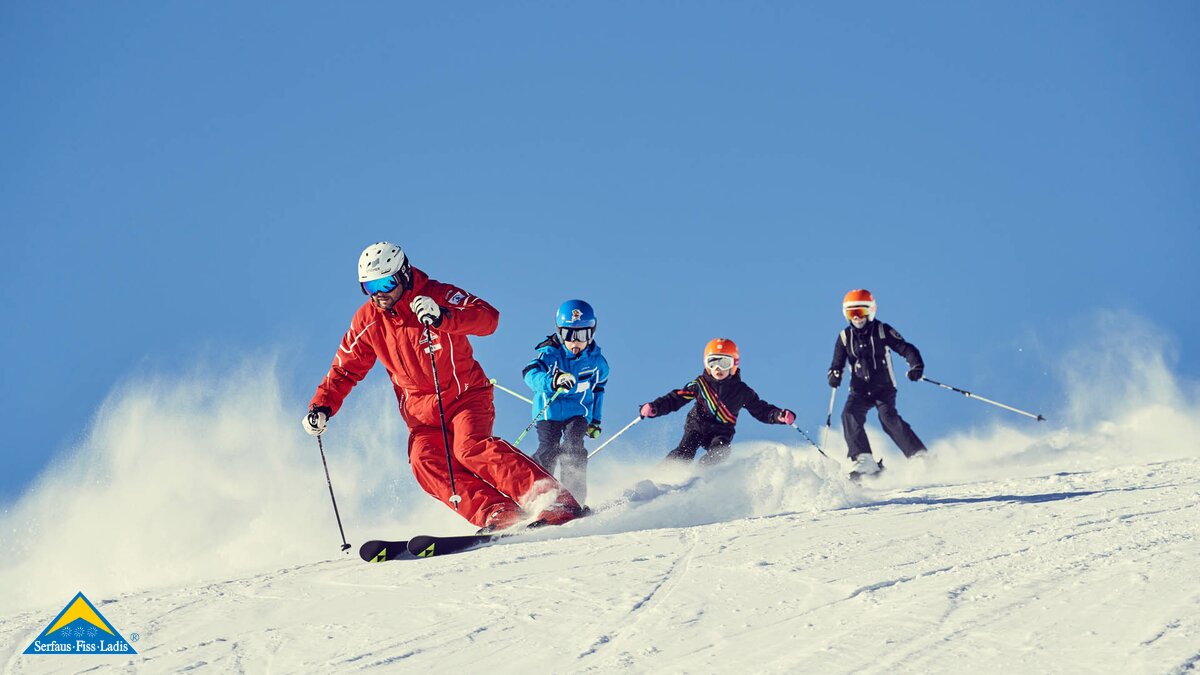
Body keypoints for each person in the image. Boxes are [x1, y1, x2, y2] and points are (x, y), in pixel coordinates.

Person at [302, 241, 583, 532]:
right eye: (371, 287)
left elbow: (489, 319)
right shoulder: (368, 320)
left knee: (470, 449)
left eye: (386, 283)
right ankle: (497, 512)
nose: (381, 294)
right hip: (422, 418)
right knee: (425, 463)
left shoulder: (439, 295)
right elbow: (345, 369)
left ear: (404, 275)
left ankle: (553, 500)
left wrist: (443, 317)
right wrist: (321, 405)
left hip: (466, 398)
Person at [639, 338, 795, 466]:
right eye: (713, 362)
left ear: (734, 365)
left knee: (720, 452)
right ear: (706, 364)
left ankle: (701, 477)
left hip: (722, 431)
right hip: (697, 425)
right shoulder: (700, 384)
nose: (718, 368)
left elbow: (761, 409)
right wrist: (655, 408)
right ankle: (665, 474)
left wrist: (778, 416)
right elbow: (676, 398)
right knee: (686, 450)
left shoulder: (741, 391)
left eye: (724, 363)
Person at [827, 289, 928, 478]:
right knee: (849, 414)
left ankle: (918, 456)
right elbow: (836, 363)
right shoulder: (844, 337)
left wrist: (916, 365)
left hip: (883, 387)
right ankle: (865, 461)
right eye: (851, 313)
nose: (856, 318)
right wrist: (834, 375)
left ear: (870, 311)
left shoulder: (882, 330)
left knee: (887, 417)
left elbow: (905, 348)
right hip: (859, 390)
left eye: (860, 312)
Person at [522, 299, 610, 506]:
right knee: (548, 449)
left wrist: (595, 421)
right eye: (569, 335)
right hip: (549, 411)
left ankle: (573, 499)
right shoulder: (550, 354)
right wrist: (552, 381)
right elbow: (530, 373)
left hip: (578, 413)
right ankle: (537, 495)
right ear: (560, 333)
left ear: (592, 333)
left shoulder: (597, 362)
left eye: (582, 335)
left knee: (573, 447)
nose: (576, 342)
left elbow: (598, 390)